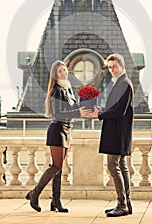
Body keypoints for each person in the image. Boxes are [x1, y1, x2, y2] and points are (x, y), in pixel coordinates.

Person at [26, 60, 91, 213]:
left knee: (58, 169)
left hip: (67, 129)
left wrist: (87, 107)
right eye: (60, 71)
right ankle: (35, 194)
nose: (64, 73)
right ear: (55, 74)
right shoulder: (57, 90)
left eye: (65, 70)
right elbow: (57, 114)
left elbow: (74, 108)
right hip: (57, 130)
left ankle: (56, 202)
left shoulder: (68, 88)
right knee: (57, 166)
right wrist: (77, 112)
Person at [91, 53, 134, 217]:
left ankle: (122, 204)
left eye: (115, 66)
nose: (112, 70)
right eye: (109, 67)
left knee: (113, 166)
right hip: (118, 131)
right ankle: (126, 204)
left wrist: (100, 115)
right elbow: (115, 108)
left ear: (122, 67)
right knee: (121, 166)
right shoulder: (119, 82)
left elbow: (119, 111)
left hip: (118, 132)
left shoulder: (124, 83)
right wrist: (101, 111)